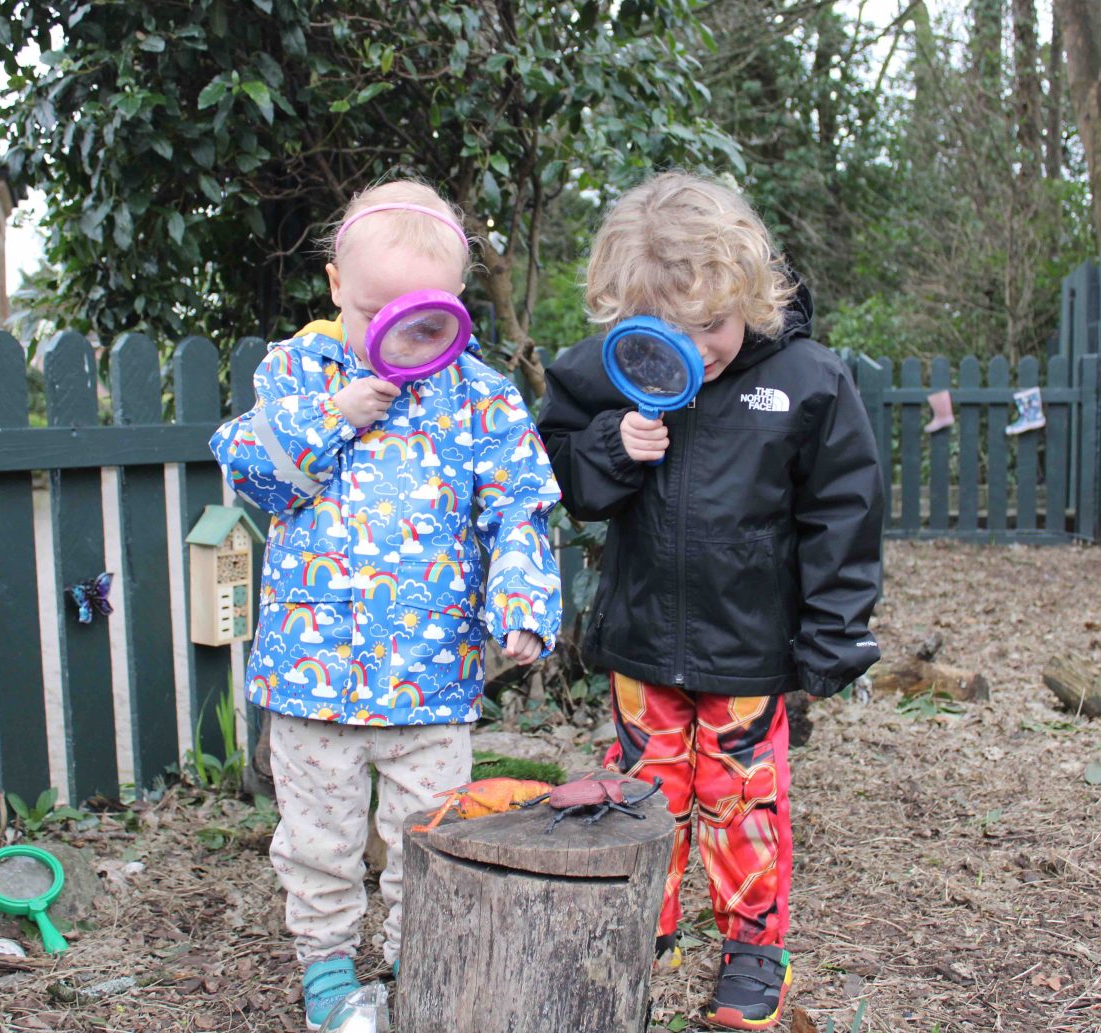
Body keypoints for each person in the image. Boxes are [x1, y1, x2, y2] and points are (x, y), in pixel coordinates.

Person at [211, 179, 562, 1030]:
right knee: (319, 838)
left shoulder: (477, 394)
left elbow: (518, 502)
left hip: (429, 676)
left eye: (421, 314)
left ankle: (421, 956)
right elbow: (249, 472)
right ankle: (328, 965)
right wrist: (334, 414)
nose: (394, 334)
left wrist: (520, 603)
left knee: (429, 832)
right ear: (336, 287)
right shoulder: (298, 370)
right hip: (313, 672)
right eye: (372, 310)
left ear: (454, 303)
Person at [536, 171, 883, 1031]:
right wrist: (613, 448)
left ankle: (754, 949)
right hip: (643, 639)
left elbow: (843, 512)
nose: (696, 349)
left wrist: (833, 635)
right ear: (626, 317)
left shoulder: (807, 379)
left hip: (748, 646)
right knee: (644, 795)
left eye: (713, 325)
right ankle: (644, 934)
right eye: (667, 332)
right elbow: (560, 475)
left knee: (741, 798)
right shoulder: (608, 372)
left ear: (750, 292)